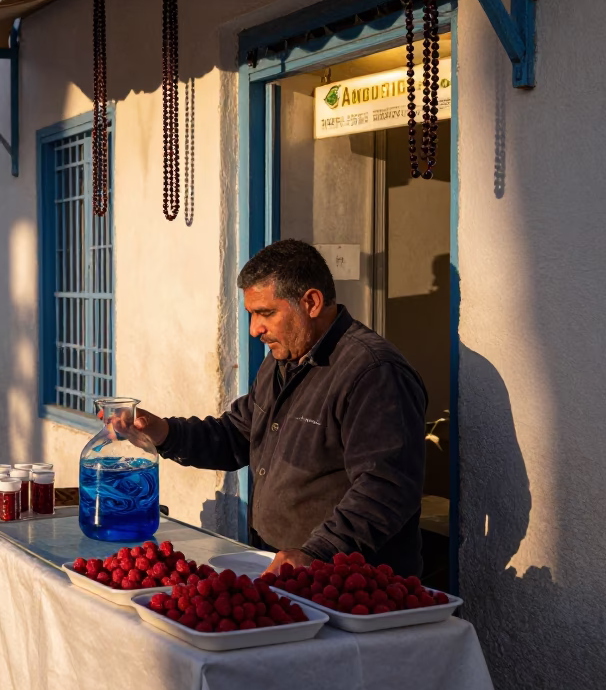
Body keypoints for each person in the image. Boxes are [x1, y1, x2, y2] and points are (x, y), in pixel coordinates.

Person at [126, 240, 428, 576]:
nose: (255, 329)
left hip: (350, 584)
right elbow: (237, 434)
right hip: (282, 568)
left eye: (266, 313)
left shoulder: (373, 372)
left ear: (311, 302)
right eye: (251, 315)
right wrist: (163, 432)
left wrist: (319, 552)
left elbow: (386, 487)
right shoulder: (280, 362)